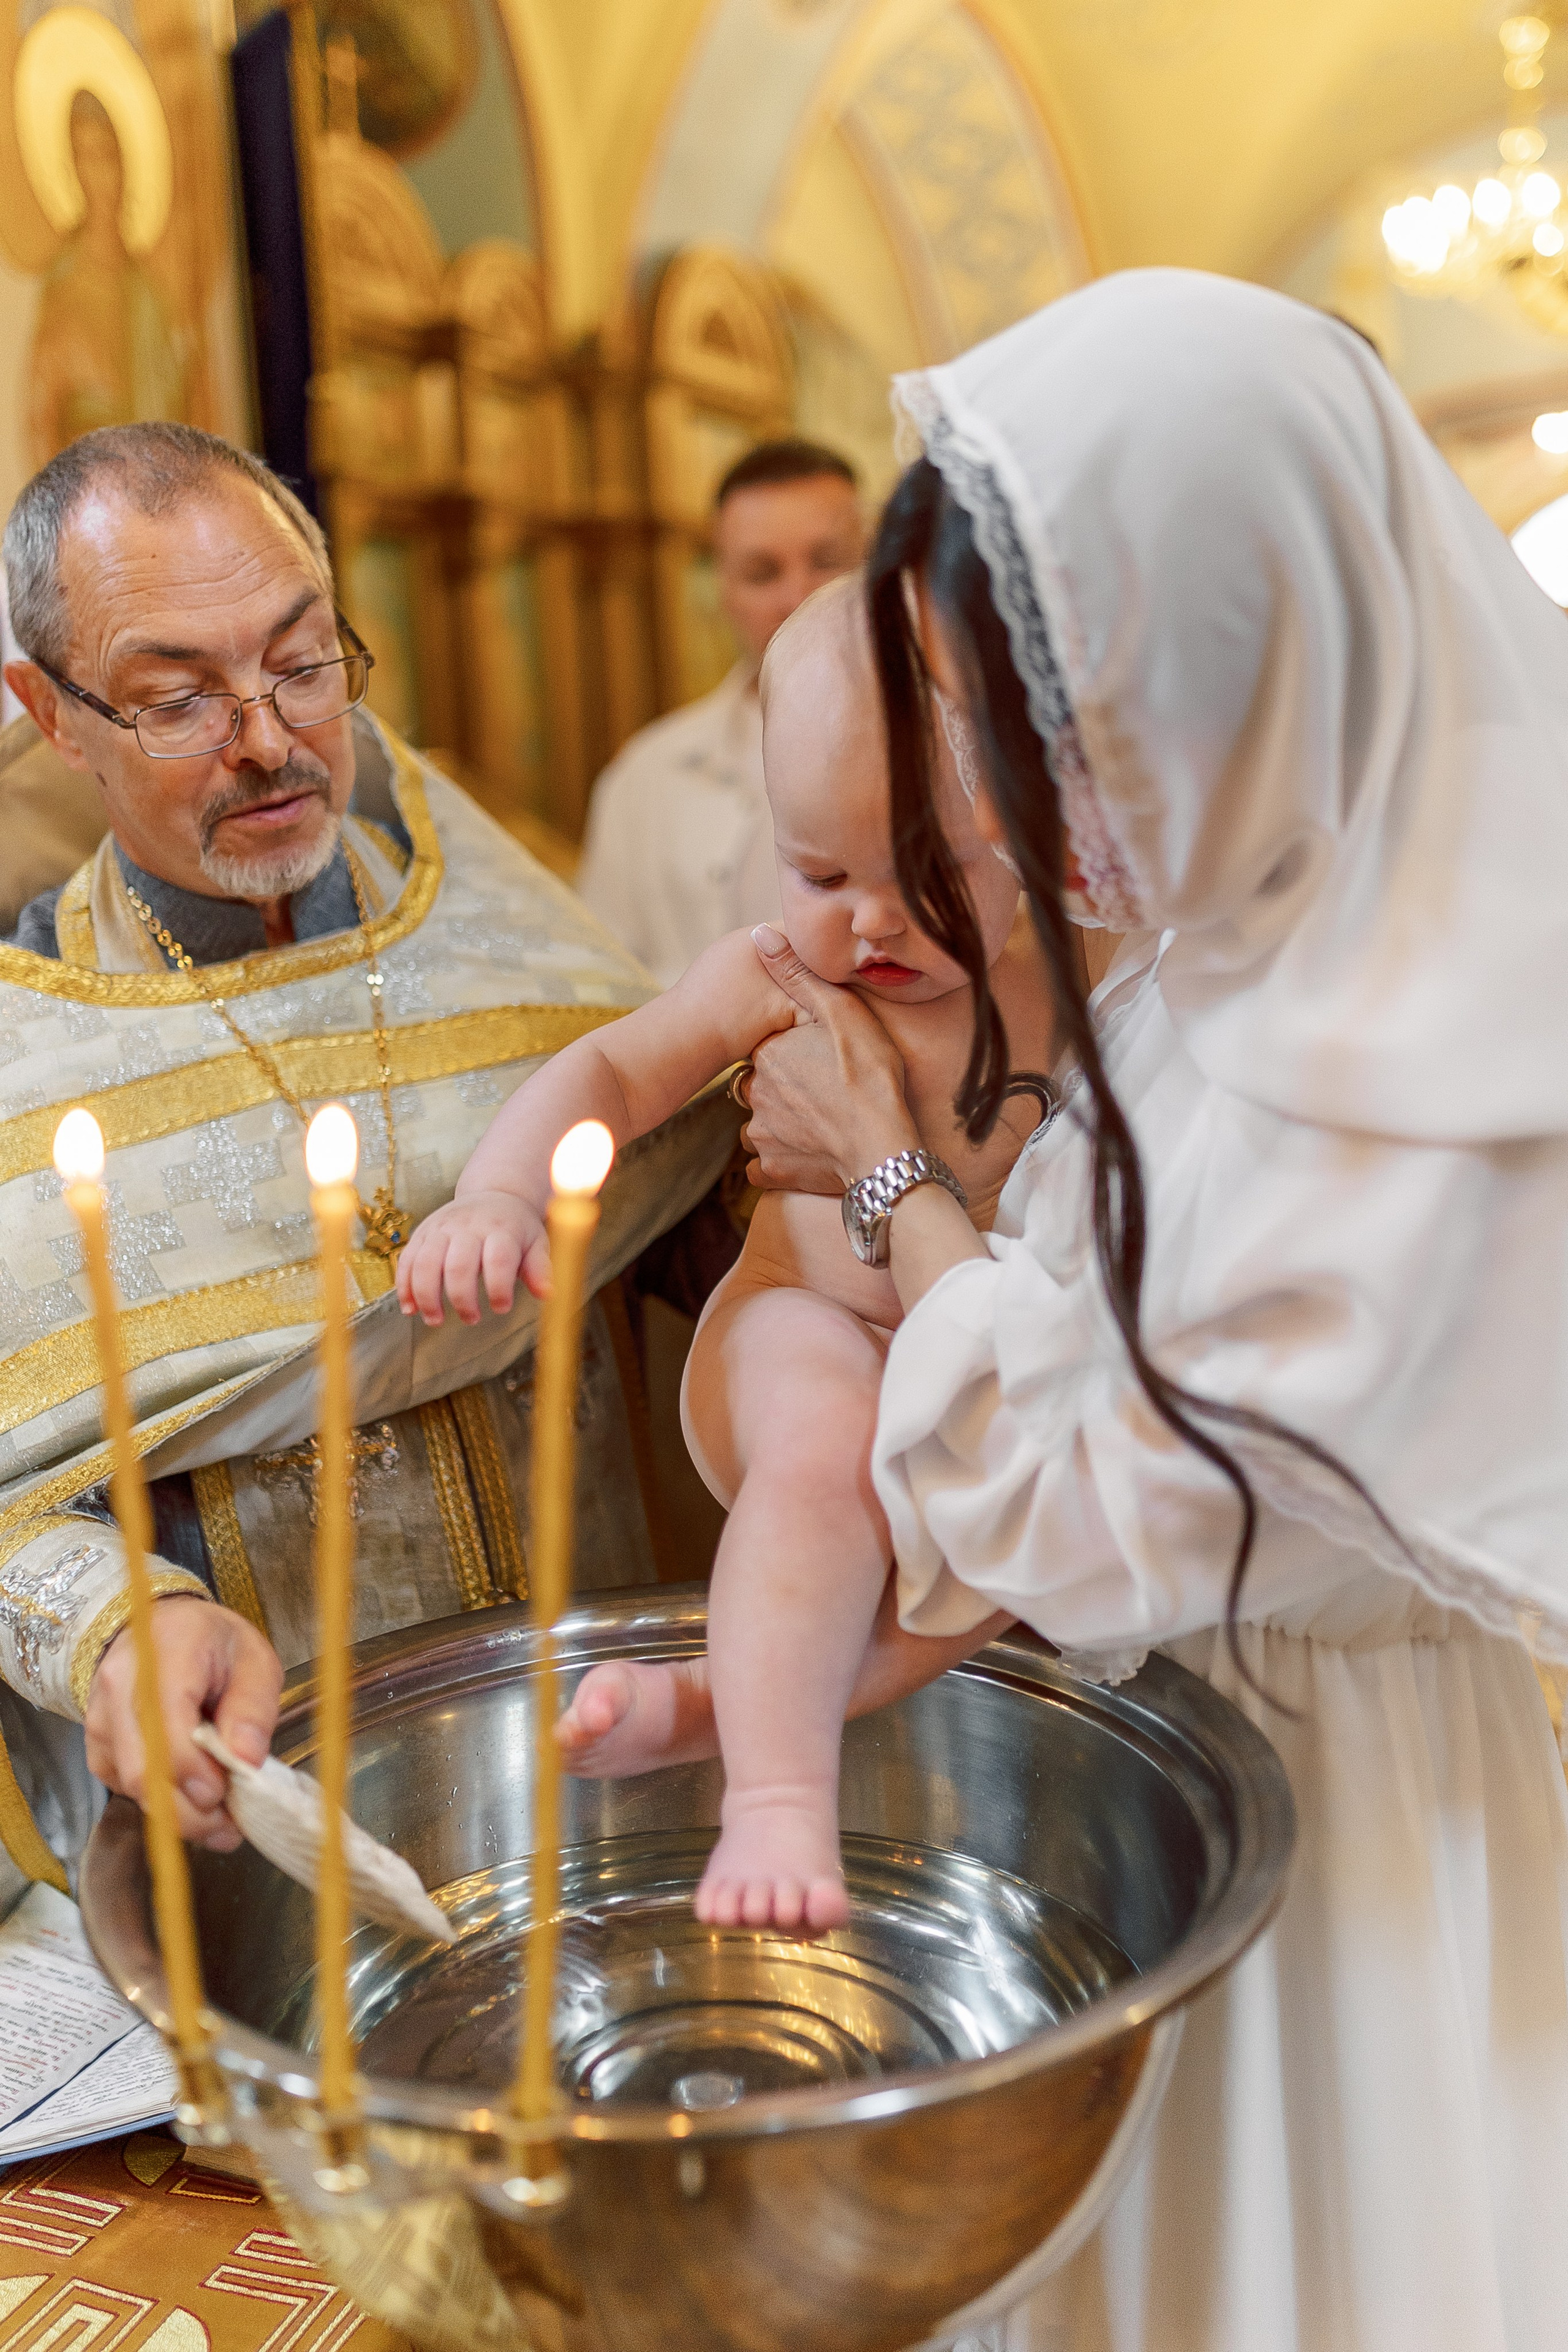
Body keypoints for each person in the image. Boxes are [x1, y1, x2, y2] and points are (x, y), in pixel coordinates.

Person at [633, 273, 1568, 2347]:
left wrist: (878, 1174)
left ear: (1233, 643)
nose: (1007, 786)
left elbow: (1072, 1499)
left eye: (1054, 704)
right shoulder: (1256, 917)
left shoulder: (1431, 1065)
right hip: (1161, 1773)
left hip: (1352, 1848)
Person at [0, 421, 736, 1905]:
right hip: (275, 1835)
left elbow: (712, 1244)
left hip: (624, 1772)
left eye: (301, 658)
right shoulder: (26, 1064)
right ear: (54, 714)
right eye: (177, 697)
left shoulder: (523, 961)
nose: (268, 737)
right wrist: (121, 1625)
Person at [398, 577, 1051, 1930]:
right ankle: (769, 1797)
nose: (867, 924)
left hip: (985, 1354)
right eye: (821, 873)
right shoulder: (775, 970)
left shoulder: (1079, 979)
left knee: (1031, 1516)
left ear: (1034, 837)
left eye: (925, 881)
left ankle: (705, 1701)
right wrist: (503, 1193)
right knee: (829, 1449)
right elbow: (614, 1070)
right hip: (799, 1321)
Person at [575, 439, 863, 986]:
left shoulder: (960, 753)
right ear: (723, 592)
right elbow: (600, 981)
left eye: (827, 562)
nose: (798, 597)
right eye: (762, 573)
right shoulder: (646, 775)